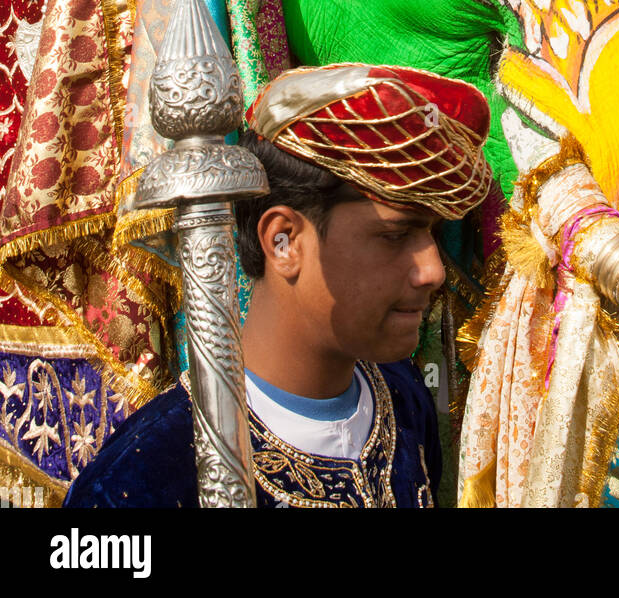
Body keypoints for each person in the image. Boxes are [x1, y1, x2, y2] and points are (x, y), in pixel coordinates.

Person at [63, 63, 491, 509]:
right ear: (282, 241)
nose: (433, 271)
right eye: (396, 235)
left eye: (433, 235)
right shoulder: (146, 476)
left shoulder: (402, 397)